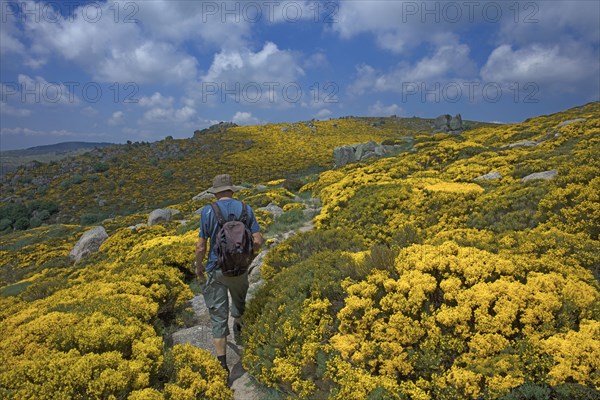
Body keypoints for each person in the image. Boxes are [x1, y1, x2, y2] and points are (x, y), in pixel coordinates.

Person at [195, 174, 263, 377]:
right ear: (232, 190)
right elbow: (258, 240)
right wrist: (247, 258)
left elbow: (200, 246)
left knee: (217, 316)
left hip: (216, 269)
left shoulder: (208, 211)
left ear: (215, 192)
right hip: (240, 269)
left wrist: (199, 266)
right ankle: (241, 330)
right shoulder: (245, 209)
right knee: (240, 304)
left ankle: (222, 365)